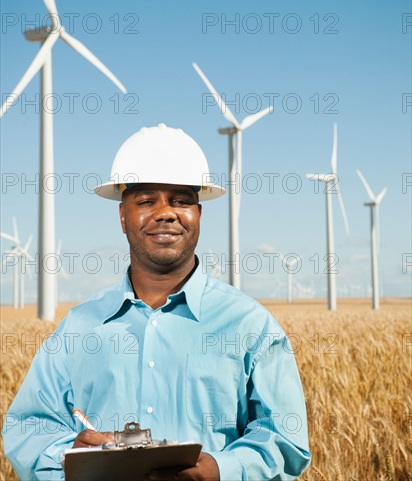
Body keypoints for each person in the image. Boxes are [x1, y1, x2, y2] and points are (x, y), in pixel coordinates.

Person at [3, 124, 311, 480]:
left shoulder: (250, 325)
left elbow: (286, 440)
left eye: (181, 200)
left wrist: (219, 470)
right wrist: (69, 454)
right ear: (122, 216)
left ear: (199, 214)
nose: (166, 212)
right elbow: (26, 428)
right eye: (146, 201)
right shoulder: (79, 326)